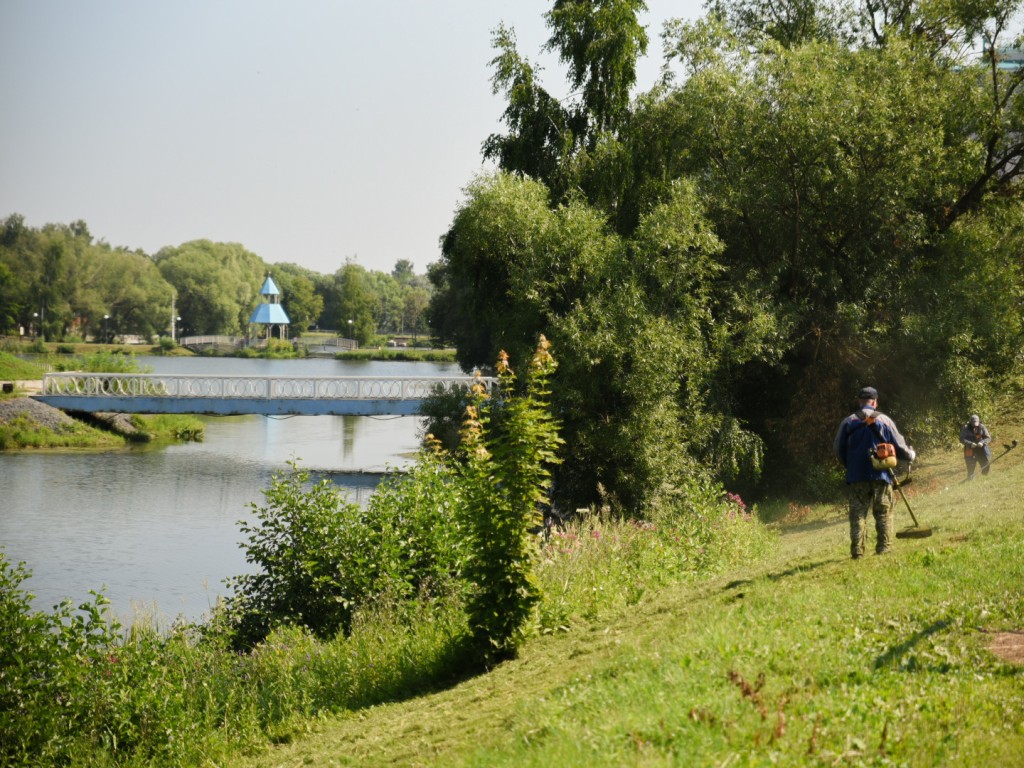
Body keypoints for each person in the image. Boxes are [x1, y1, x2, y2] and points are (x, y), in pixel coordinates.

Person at [833, 386, 916, 559]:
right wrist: (910, 455)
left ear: (859, 401)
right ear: (875, 402)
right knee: (883, 511)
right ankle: (884, 548)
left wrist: (849, 466)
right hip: (881, 474)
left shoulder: (848, 422)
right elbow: (899, 445)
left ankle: (857, 551)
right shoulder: (884, 420)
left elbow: (838, 449)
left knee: (857, 515)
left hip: (856, 476)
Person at [959, 414, 992, 480]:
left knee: (986, 464)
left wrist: (982, 442)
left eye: (976, 423)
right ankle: (971, 480)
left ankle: (984, 478)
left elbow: (988, 438)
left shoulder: (982, 427)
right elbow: (962, 439)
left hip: (981, 449)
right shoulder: (965, 428)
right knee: (970, 466)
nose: (974, 425)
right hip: (970, 449)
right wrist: (970, 444)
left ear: (978, 421)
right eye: (973, 423)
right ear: (970, 422)